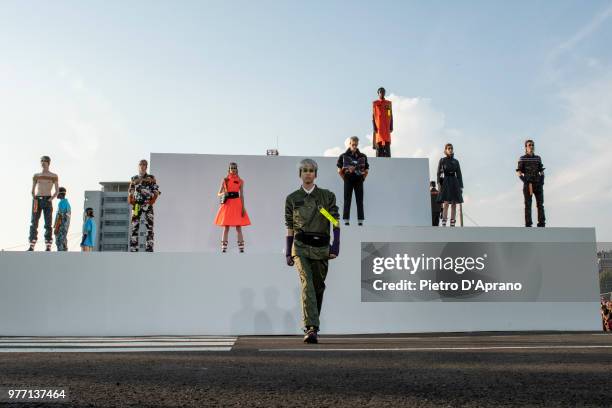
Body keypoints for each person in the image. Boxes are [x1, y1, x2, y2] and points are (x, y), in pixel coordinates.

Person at [285, 158, 340, 344]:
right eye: (304, 170)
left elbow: (334, 221)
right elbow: (289, 226)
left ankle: (313, 325)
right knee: (307, 284)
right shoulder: (292, 199)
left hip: (321, 247)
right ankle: (311, 328)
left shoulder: (327, 196)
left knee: (318, 287)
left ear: (315, 174)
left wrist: (336, 246)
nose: (308, 173)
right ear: (300, 174)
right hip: (300, 247)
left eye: (311, 170)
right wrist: (288, 251)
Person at [214, 162, 251, 253]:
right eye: (231, 168)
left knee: (238, 227)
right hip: (228, 203)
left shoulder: (240, 181)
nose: (233, 170)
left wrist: (243, 207)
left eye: (234, 168)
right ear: (229, 169)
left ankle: (241, 248)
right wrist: (224, 193)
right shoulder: (225, 180)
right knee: (226, 226)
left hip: (237, 203)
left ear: (236, 169)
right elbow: (218, 193)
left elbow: (241, 195)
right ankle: (224, 248)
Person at [128, 159, 161, 252]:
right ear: (138, 166)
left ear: (146, 166)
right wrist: (131, 199)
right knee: (134, 226)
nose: (142, 166)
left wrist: (152, 200)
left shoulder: (151, 177)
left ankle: (149, 248)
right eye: (140, 164)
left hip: (147, 203)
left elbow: (156, 190)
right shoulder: (134, 178)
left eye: (144, 164)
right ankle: (133, 248)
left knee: (149, 227)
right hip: (137, 204)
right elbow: (130, 191)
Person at [28, 155, 59, 251]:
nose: (42, 163)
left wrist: (51, 199)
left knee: (48, 223)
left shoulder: (54, 176)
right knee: (34, 222)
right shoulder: (36, 175)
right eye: (41, 161)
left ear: (48, 163)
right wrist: (34, 196)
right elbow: (32, 190)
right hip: (37, 199)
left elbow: (57, 190)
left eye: (44, 161)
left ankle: (48, 245)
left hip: (47, 199)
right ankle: (32, 244)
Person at [337, 136, 369, 226]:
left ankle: (360, 221)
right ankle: (346, 220)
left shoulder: (363, 156)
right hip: (348, 179)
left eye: (356, 145)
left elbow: (366, 170)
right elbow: (339, 170)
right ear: (350, 144)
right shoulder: (343, 156)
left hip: (359, 180)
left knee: (360, 200)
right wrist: (344, 178)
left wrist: (362, 179)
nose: (354, 146)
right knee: (347, 200)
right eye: (353, 144)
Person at [516, 139, 545, 227]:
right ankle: (528, 223)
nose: (531, 146)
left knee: (540, 204)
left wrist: (542, 181)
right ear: (526, 147)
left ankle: (541, 223)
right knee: (528, 204)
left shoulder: (538, 158)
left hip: (538, 184)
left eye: (532, 145)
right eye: (529, 145)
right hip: (528, 184)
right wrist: (525, 181)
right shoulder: (522, 158)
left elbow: (541, 171)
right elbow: (519, 172)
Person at [437, 143, 464, 227]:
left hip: (454, 181)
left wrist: (460, 186)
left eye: (451, 148)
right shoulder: (442, 160)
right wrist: (439, 184)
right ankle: (444, 221)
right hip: (446, 181)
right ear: (445, 150)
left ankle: (452, 222)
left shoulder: (456, 161)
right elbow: (439, 173)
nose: (450, 149)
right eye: (448, 148)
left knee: (454, 203)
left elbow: (459, 174)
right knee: (446, 202)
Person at [372, 87, 393, 157]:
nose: (382, 93)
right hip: (379, 127)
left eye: (383, 92)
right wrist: (374, 126)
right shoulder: (375, 103)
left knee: (387, 143)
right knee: (379, 144)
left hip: (386, 127)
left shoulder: (388, 103)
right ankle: (378, 158)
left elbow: (390, 114)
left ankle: (388, 159)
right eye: (380, 92)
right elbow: (373, 115)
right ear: (378, 93)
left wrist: (391, 126)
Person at [54, 187, 71, 251]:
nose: (56, 194)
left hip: (61, 226)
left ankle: (60, 256)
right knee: (64, 241)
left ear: (60, 194)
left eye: (57, 193)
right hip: (65, 227)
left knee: (59, 241)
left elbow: (60, 216)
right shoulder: (67, 203)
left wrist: (57, 228)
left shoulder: (62, 203)